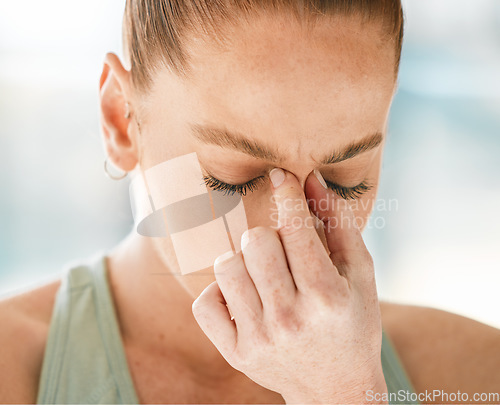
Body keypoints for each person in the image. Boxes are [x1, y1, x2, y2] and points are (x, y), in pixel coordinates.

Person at [1, 0, 499, 404]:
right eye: (232, 181)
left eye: (344, 180)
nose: (291, 233)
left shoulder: (475, 375)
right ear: (120, 119)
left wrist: (345, 394)